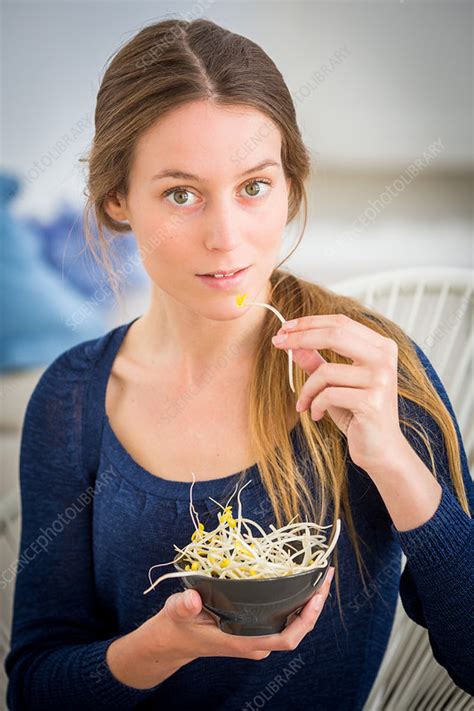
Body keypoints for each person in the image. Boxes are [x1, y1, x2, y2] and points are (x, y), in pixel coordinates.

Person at [4, 17, 473, 711]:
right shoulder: (72, 399)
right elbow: (37, 688)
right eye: (181, 194)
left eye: (254, 186)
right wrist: (164, 643)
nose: (227, 239)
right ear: (117, 200)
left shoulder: (371, 369)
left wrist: (396, 463)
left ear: (289, 184)